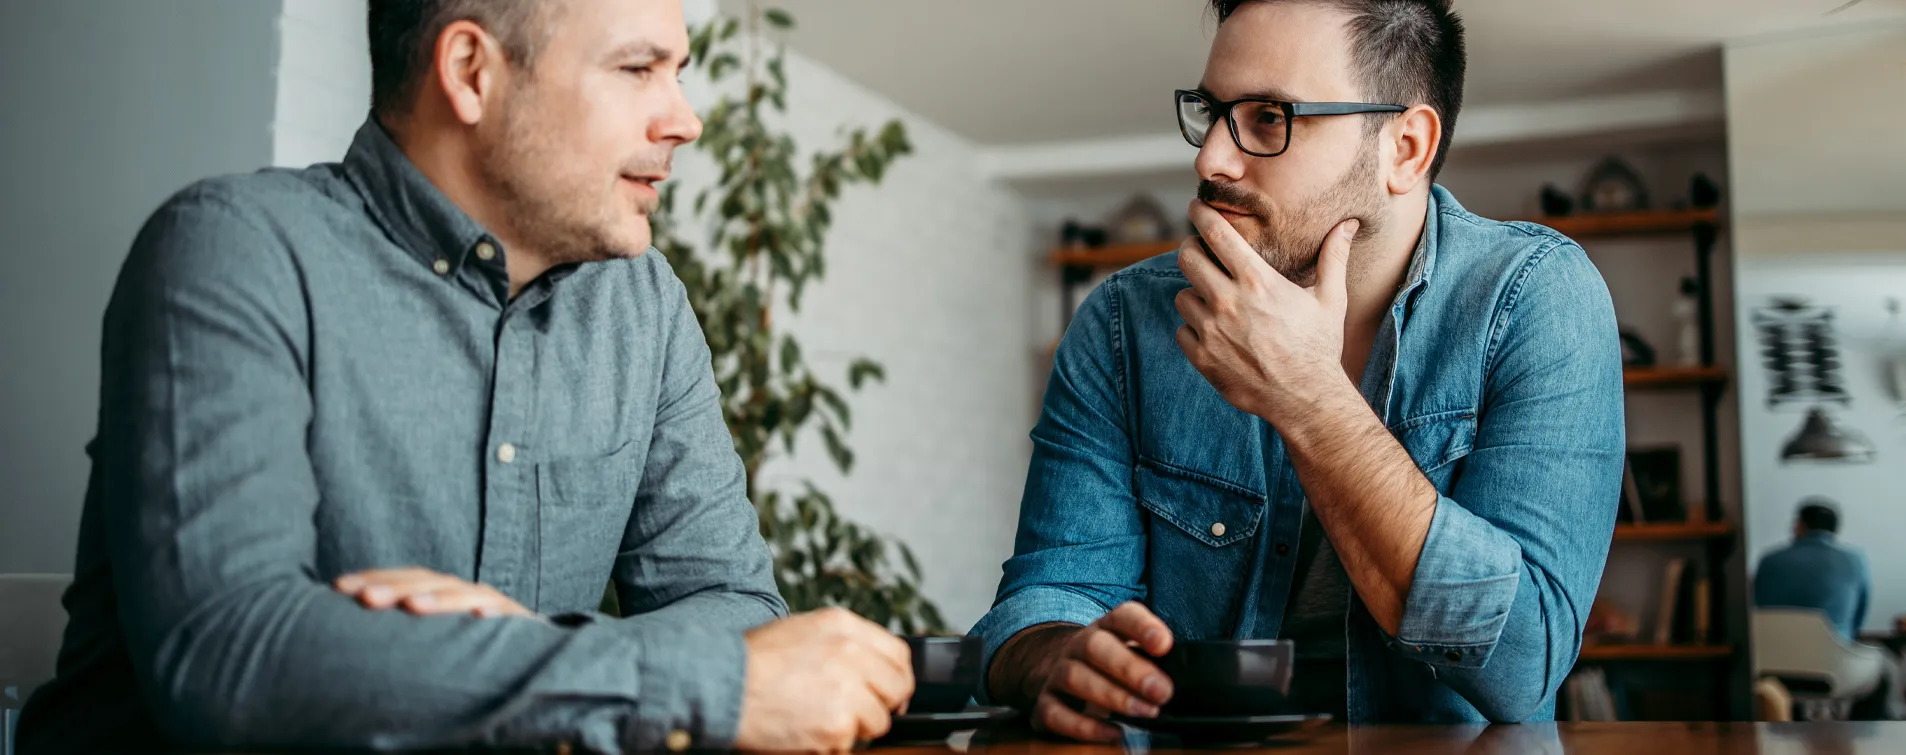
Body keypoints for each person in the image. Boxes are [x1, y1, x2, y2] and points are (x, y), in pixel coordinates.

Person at [17, 1, 912, 752]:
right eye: (639, 70)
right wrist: (664, 678)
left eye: (678, 70)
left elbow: (734, 606)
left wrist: (523, 649)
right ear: (472, 72)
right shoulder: (235, 249)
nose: (684, 118)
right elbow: (232, 656)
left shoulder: (645, 306)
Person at [970, 0, 1625, 739]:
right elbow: (1046, 598)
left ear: (1405, 148)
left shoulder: (1536, 299)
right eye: (1212, 112)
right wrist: (1050, 654)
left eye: (1269, 117)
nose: (1210, 158)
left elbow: (1521, 663)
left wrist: (1309, 397)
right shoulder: (1123, 325)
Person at [1752, 500, 1872, 642]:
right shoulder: (1855, 561)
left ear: (1799, 525)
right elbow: (1859, 613)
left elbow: (1758, 604)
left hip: (1775, 651)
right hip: (1835, 655)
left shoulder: (1769, 560)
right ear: (1835, 529)